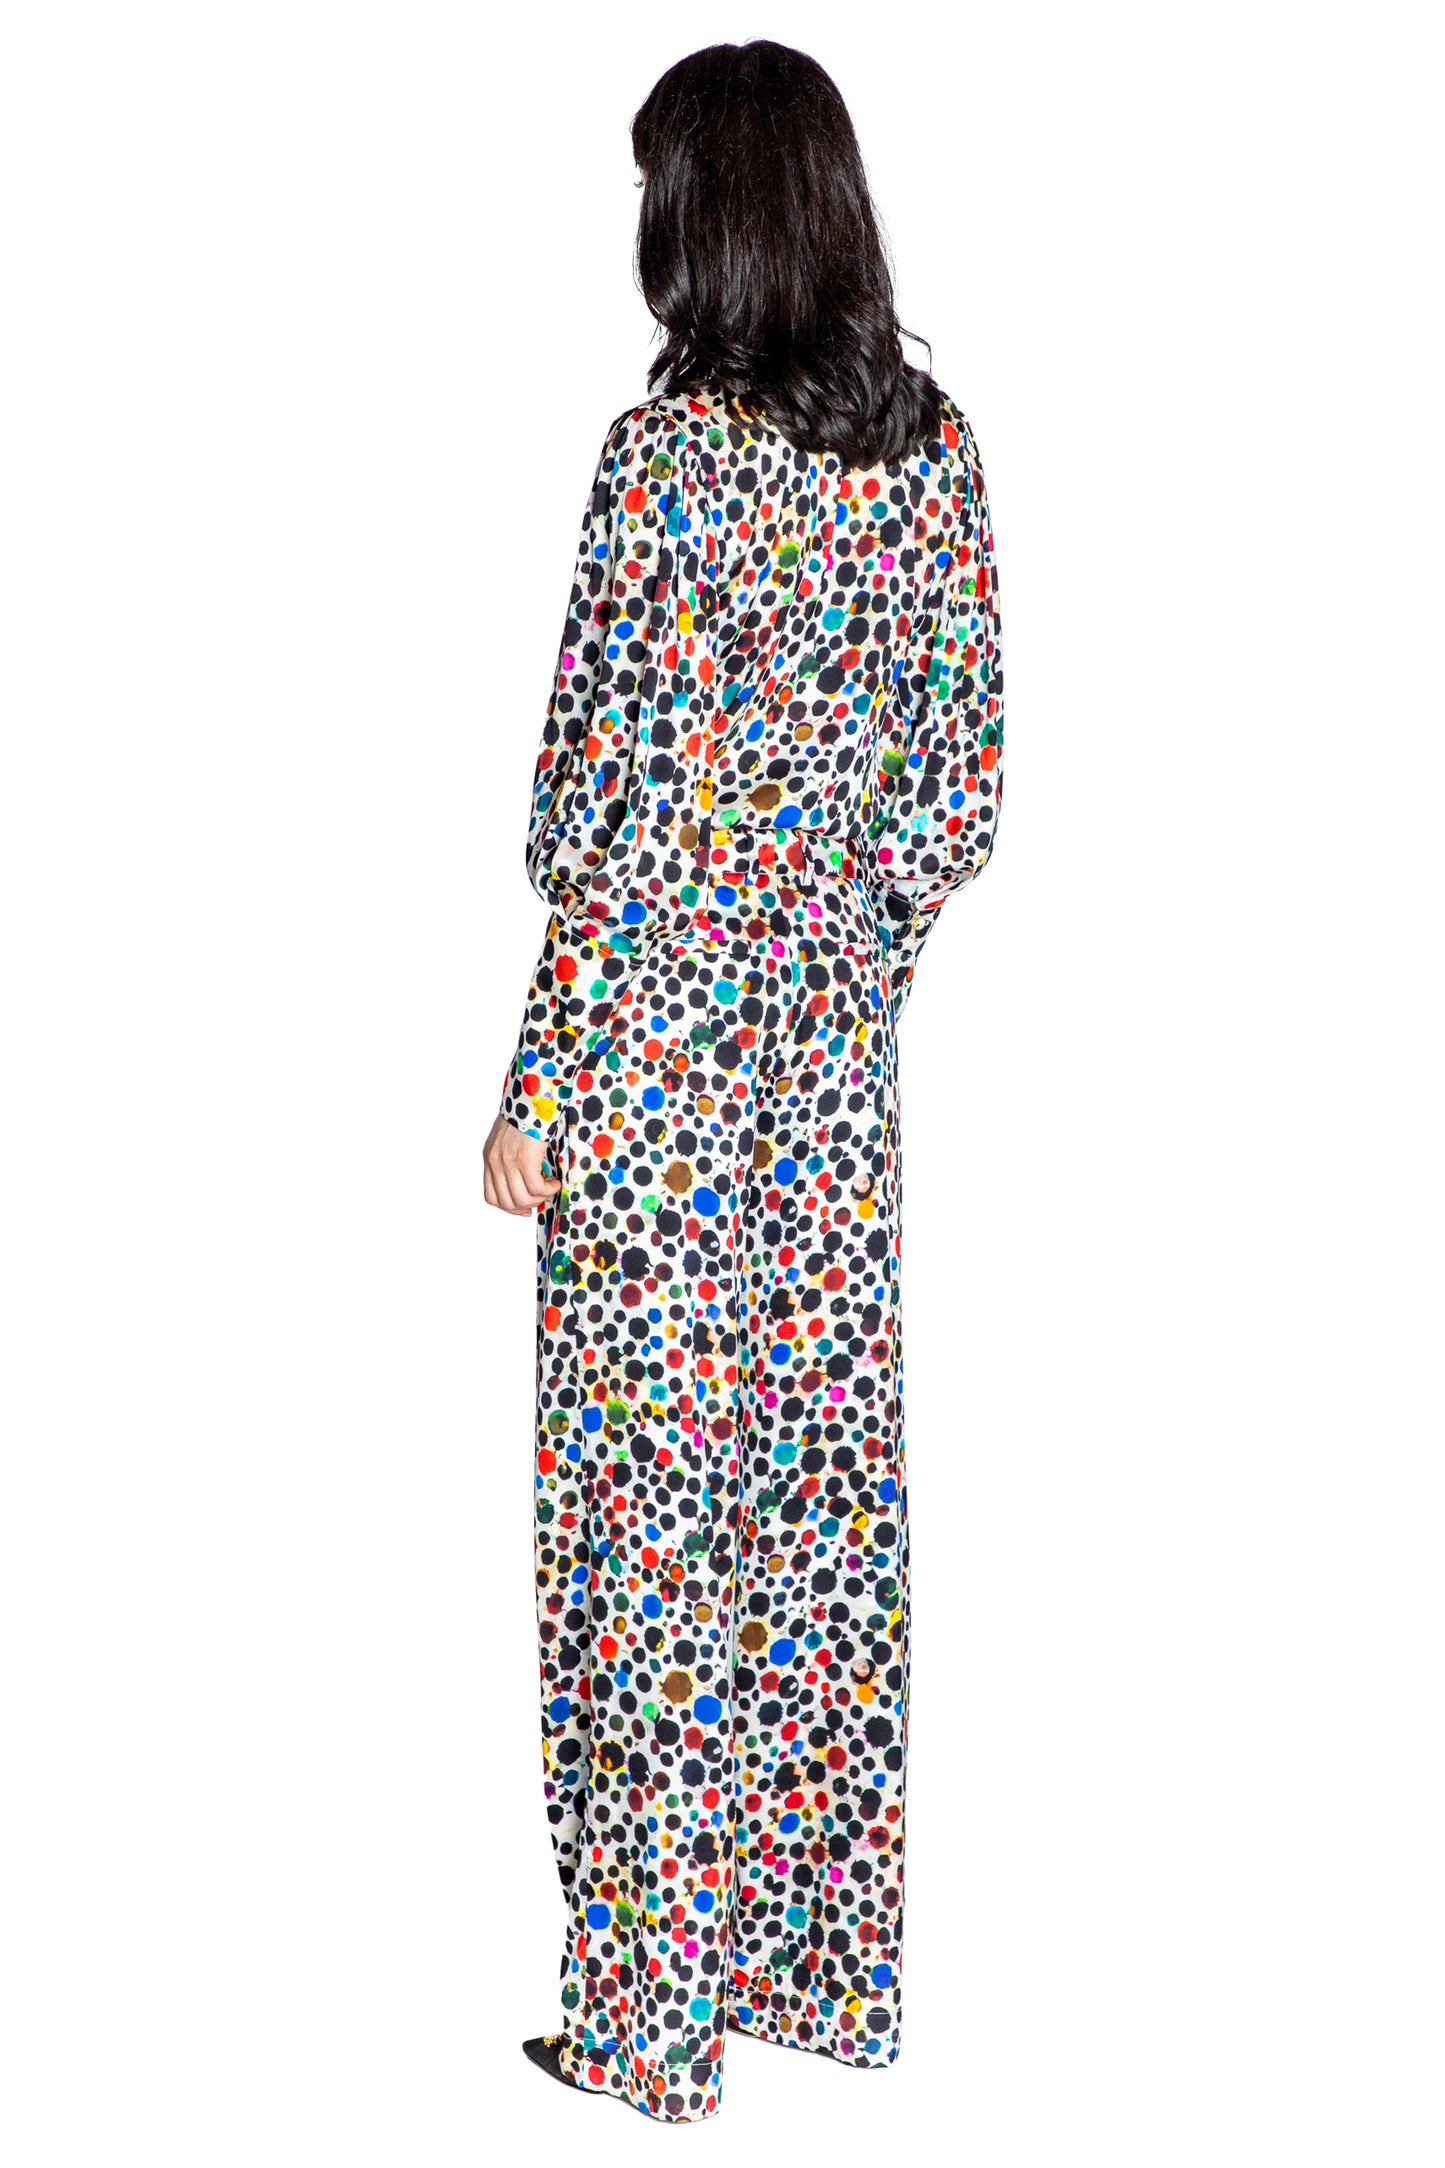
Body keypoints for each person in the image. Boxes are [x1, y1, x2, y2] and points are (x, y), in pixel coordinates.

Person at [484, 37, 1004, 2122]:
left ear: (706, 212)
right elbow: (957, 803)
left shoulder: (663, 465)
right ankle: (799, 1968)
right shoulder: (937, 459)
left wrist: (546, 1080)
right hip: (826, 1104)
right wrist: (837, 976)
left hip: (649, 1078)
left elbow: (599, 810)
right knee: (809, 1520)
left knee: (640, 1540)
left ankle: (645, 2023)